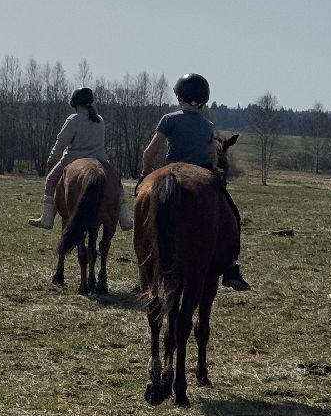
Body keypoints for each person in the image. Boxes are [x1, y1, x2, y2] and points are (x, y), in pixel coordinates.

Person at [139, 72, 250, 291]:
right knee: (233, 217)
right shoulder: (208, 126)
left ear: (179, 95)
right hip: (203, 171)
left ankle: (145, 270)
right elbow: (214, 158)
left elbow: (148, 153)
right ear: (203, 100)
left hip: (169, 168)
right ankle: (230, 268)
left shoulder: (169, 119)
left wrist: (146, 172)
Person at [28, 87, 134, 230]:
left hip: (73, 158)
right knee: (117, 184)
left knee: (50, 180)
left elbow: (61, 142)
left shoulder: (74, 119)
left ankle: (46, 219)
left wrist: (52, 159)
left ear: (74, 102)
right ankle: (125, 219)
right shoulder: (100, 120)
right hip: (101, 160)